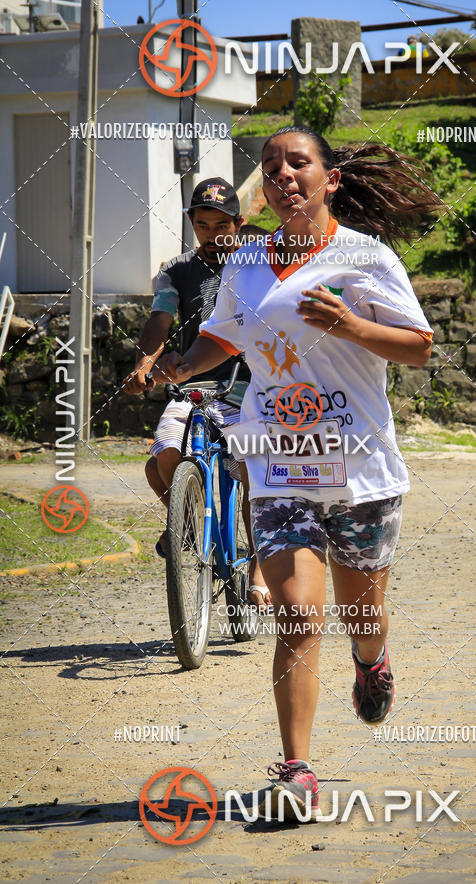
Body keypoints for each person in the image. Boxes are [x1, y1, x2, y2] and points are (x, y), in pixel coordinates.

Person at [152, 127, 441, 819]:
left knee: (361, 614)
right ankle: (296, 771)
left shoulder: (366, 257)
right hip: (279, 465)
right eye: (271, 165)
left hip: (361, 468)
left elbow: (419, 347)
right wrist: (183, 365)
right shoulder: (248, 262)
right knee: (299, 615)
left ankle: (372, 661)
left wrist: (349, 326)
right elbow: (227, 333)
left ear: (329, 178)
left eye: (299, 162)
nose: (283, 174)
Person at [122, 176, 271, 609]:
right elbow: (159, 322)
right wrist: (144, 366)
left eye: (220, 225)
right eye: (202, 225)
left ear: (238, 224)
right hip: (193, 385)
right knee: (163, 457)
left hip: (250, 386)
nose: (211, 234)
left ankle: (259, 569)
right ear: (191, 223)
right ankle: (190, 521)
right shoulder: (175, 270)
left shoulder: (258, 264)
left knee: (254, 475)